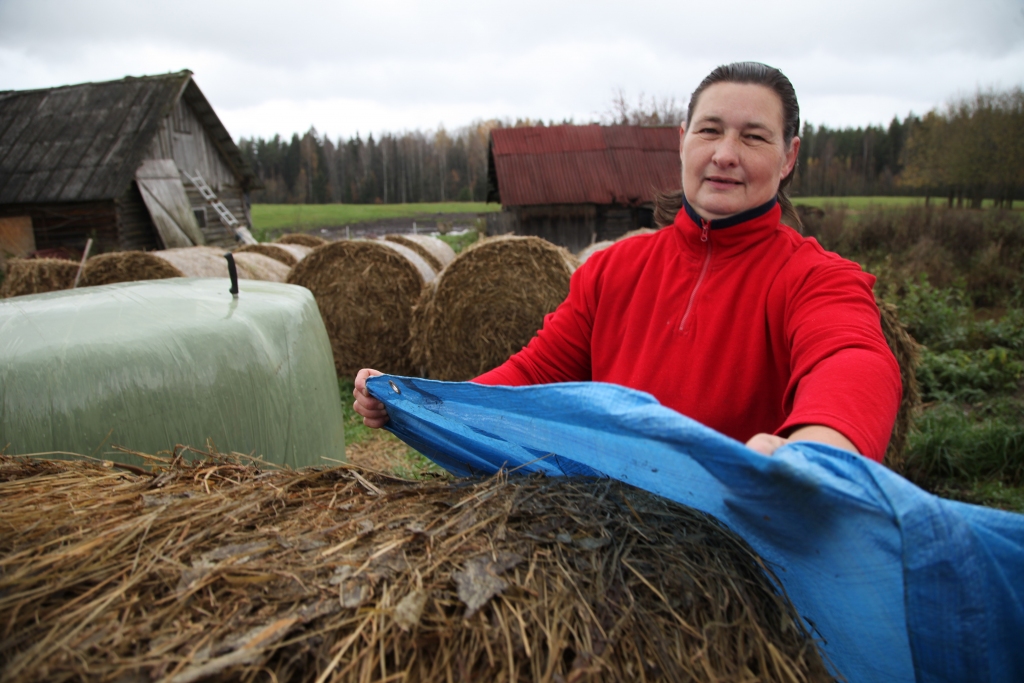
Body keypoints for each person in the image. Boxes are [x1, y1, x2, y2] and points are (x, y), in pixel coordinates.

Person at [355, 62, 901, 462]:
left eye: (753, 137)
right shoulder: (614, 270)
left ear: (789, 158)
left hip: (737, 556)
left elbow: (853, 361)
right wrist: (423, 404)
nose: (725, 154)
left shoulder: (815, 278)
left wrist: (819, 454)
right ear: (683, 141)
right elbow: (535, 372)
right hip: (611, 544)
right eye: (710, 130)